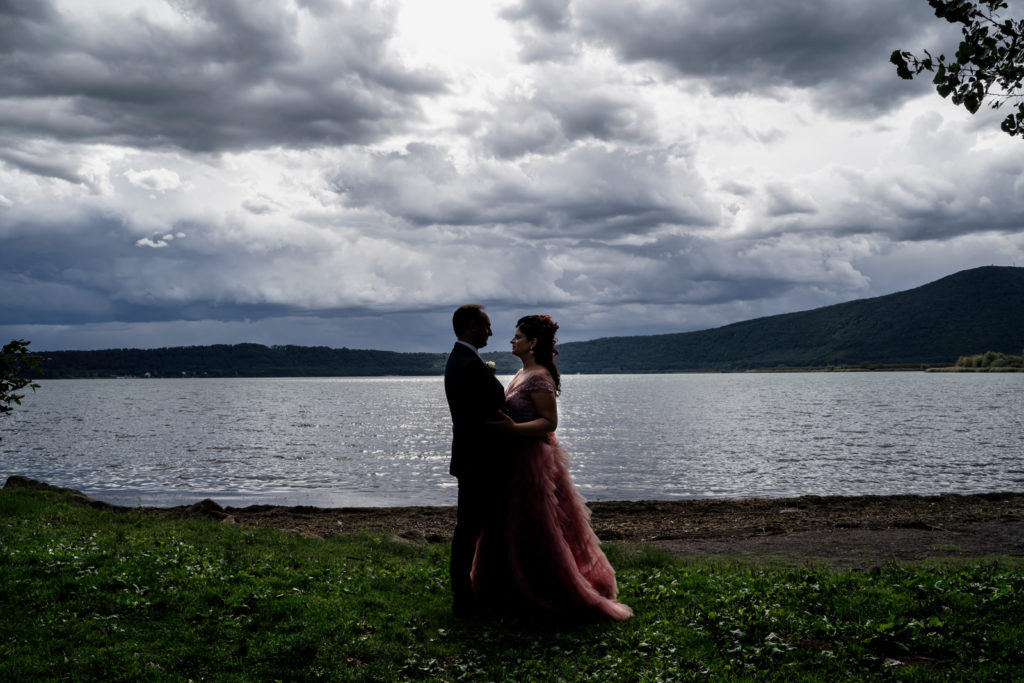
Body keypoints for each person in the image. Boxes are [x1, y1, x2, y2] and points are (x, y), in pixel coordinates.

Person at [473, 314, 632, 621]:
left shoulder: (539, 376)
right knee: (511, 525)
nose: (512, 340)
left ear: (533, 343)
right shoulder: (523, 373)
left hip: (531, 461)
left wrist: (512, 429)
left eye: (518, 336)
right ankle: (507, 588)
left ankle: (548, 589)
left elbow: (549, 423)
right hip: (514, 458)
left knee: (536, 527)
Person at [443, 304, 509, 616]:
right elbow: (487, 411)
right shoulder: (467, 363)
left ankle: (472, 590)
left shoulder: (465, 360)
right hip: (477, 459)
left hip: (473, 456)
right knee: (469, 527)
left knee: (474, 525)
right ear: (471, 326)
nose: (491, 332)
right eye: (486, 325)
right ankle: (462, 596)